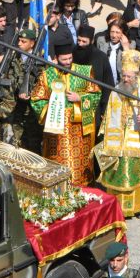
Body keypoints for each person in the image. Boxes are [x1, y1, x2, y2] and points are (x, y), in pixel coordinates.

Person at [96, 50, 140, 218]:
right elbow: (110, 112)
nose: (125, 80)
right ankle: (117, 206)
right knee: (118, 164)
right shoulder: (117, 90)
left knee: (138, 171)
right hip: (118, 139)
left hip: (137, 138)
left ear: (137, 75)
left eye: (129, 77)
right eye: (123, 76)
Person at [30, 42, 101, 186]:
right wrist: (51, 106)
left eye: (70, 58)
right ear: (56, 58)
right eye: (64, 59)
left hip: (79, 131)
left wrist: (80, 98)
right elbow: (36, 99)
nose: (68, 62)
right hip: (56, 130)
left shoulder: (84, 71)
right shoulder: (47, 75)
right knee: (57, 161)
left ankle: (82, 188)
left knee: (80, 163)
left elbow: (96, 94)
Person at [11, 29, 44, 154]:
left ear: (32, 44)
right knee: (17, 144)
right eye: (19, 41)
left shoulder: (40, 62)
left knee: (33, 145)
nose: (19, 44)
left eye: (23, 41)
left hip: (32, 111)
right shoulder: (14, 59)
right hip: (16, 108)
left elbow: (42, 84)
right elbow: (8, 79)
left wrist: (31, 93)